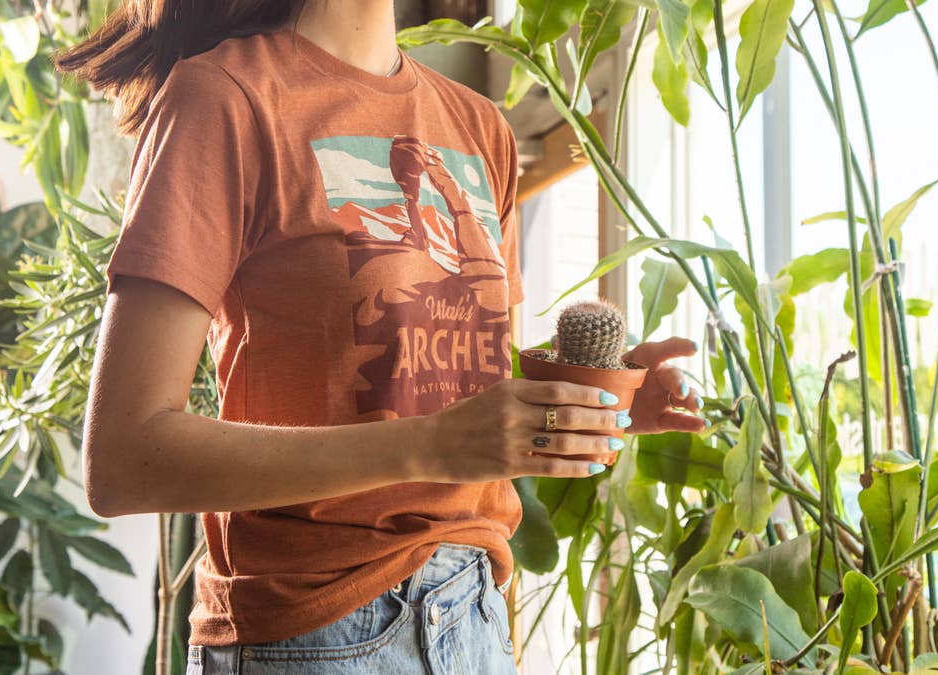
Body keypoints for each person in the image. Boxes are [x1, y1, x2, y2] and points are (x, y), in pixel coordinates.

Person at [58, 1, 706, 673]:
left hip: (474, 617)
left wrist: (597, 393)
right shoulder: (222, 98)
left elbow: (444, 374)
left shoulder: (480, 127)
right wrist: (432, 444)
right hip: (313, 633)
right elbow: (123, 458)